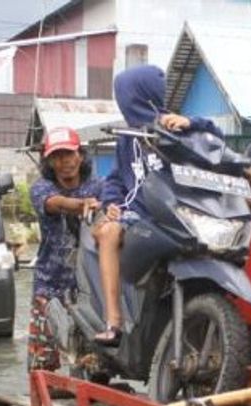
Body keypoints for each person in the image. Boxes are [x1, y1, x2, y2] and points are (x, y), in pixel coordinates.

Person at [93, 65, 224, 346]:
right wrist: (111, 204)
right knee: (107, 232)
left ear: (138, 96)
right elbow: (115, 179)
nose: (123, 102)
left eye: (125, 96)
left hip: (178, 214)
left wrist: (193, 123)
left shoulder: (176, 128)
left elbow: (216, 139)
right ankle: (113, 322)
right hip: (139, 215)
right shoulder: (126, 139)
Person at [27, 127, 103, 371]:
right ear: (49, 161)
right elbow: (56, 204)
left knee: (89, 362)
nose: (65, 162)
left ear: (80, 155)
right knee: (41, 362)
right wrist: (82, 205)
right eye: (58, 157)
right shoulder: (41, 189)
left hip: (87, 289)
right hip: (49, 286)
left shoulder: (99, 187)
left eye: (69, 154)